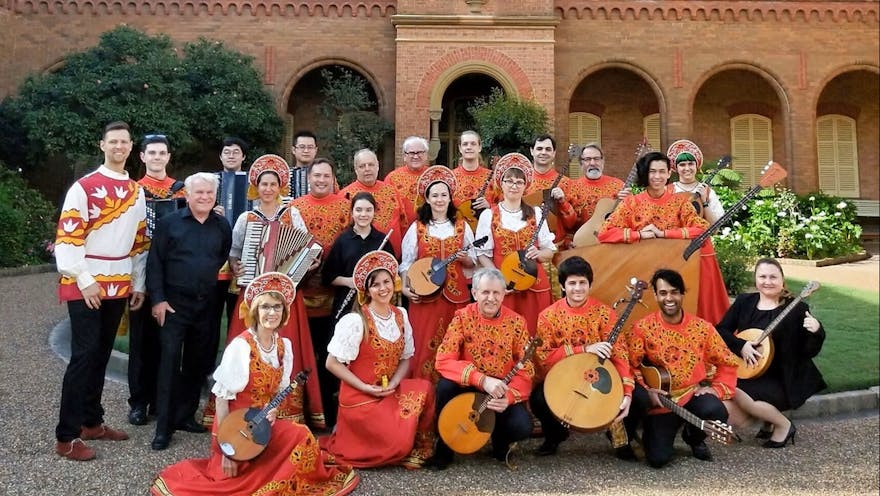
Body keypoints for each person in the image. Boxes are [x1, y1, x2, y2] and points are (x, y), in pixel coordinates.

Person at [150, 272, 360, 496]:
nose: (272, 313)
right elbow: (222, 400)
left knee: (302, 435)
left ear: (284, 311)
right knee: (232, 484)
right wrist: (227, 451)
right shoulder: (241, 347)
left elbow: (279, 390)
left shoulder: (284, 347)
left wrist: (274, 410)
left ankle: (271, 476)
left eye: (277, 307)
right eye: (265, 307)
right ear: (255, 312)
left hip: (262, 427)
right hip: (234, 431)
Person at [53, 121, 148, 461]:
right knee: (83, 356)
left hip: (118, 282)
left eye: (124, 142)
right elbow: (68, 238)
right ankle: (66, 436)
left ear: (130, 146)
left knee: (102, 353)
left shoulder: (136, 192)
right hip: (87, 283)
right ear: (102, 145)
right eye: (113, 142)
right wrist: (84, 278)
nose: (118, 147)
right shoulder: (83, 187)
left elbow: (139, 241)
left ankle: (91, 422)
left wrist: (138, 282)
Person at [222, 154, 324, 429]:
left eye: (273, 184)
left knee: (285, 349)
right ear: (256, 186)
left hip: (285, 294)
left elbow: (306, 248)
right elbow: (233, 254)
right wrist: (237, 265)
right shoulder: (247, 218)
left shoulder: (293, 214)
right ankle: (244, 406)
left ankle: (288, 413)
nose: (268, 189)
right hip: (253, 294)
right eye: (263, 184)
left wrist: (307, 264)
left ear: (281, 187)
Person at [322, 250, 435, 469]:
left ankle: (418, 445)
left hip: (388, 392)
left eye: (386, 282)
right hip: (360, 398)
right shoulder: (356, 320)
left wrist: (393, 384)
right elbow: (331, 363)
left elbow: (406, 358)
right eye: (376, 285)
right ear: (367, 290)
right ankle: (365, 437)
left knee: (426, 388)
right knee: (400, 444)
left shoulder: (401, 315)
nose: (383, 288)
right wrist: (365, 387)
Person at [147, 172, 232, 451]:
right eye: (199, 193)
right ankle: (164, 427)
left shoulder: (221, 225)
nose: (205, 197)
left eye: (209, 193)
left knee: (198, 363)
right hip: (173, 305)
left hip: (206, 304)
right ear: (187, 194)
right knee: (169, 363)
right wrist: (158, 300)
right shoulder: (169, 224)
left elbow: (221, 256)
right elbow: (155, 263)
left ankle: (185, 415)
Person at [597, 151, 730, 325]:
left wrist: (664, 234)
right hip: (641, 268)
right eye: (652, 172)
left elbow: (703, 229)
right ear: (645, 174)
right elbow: (604, 233)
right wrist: (639, 234)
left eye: (662, 171)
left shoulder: (680, 202)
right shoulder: (632, 203)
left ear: (669, 174)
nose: (657, 176)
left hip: (675, 270)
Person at [625, 269, 739, 468]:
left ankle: (693, 437)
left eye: (674, 292)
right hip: (662, 404)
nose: (669, 298)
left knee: (716, 410)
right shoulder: (642, 328)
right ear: (655, 295)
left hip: (691, 395)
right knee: (658, 459)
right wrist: (647, 389)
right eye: (663, 293)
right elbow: (630, 365)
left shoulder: (702, 328)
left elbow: (727, 361)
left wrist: (716, 389)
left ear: (682, 294)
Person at [529, 256, 635, 457]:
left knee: (638, 398)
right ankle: (555, 436)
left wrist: (627, 391)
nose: (577, 288)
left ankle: (619, 437)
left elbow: (620, 352)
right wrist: (584, 349)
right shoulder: (548, 316)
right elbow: (543, 357)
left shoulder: (604, 313)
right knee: (538, 398)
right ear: (562, 285)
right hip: (563, 378)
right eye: (572, 283)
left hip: (597, 377)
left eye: (582, 283)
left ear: (589, 284)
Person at [430, 268, 535, 469]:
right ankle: (444, 447)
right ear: (475, 293)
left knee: (522, 426)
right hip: (469, 386)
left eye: (496, 293)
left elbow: (526, 367)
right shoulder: (462, 317)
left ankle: (499, 441)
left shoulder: (517, 322)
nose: (491, 298)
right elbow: (443, 359)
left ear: (504, 294)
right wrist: (481, 379)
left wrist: (509, 397)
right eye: (485, 292)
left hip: (499, 391)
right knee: (444, 387)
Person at [716, 258, 826, 448]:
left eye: (773, 277)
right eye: (763, 276)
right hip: (752, 369)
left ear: (782, 280)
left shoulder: (796, 308)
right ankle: (768, 421)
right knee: (725, 385)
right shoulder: (744, 302)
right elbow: (721, 330)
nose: (767, 281)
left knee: (735, 389)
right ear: (755, 279)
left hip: (783, 376)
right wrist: (741, 345)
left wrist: (817, 332)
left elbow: (808, 351)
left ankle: (784, 425)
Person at [128, 134, 186, 427]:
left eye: (162, 153)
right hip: (141, 273)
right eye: (152, 153)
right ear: (142, 157)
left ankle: (163, 402)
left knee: (169, 343)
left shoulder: (181, 191)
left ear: (168, 156)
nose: (157, 157)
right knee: (141, 342)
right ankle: (138, 401)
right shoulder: (133, 192)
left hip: (173, 277)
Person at [289, 157, 350, 428]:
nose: (321, 180)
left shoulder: (345, 207)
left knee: (331, 356)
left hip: (336, 298)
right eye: (317, 176)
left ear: (332, 178)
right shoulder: (294, 208)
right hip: (301, 298)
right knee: (303, 356)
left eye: (326, 176)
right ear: (309, 178)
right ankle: (302, 412)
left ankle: (328, 412)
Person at [399, 166, 477, 381]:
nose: (440, 199)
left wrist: (465, 259)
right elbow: (406, 264)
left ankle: (453, 400)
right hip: (424, 297)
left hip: (456, 297)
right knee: (424, 345)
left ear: (450, 198)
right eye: (435, 195)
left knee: (457, 345)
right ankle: (424, 398)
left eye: (444, 195)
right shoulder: (417, 228)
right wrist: (406, 289)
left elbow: (473, 261)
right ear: (428, 199)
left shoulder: (462, 227)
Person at [475, 153, 555, 334]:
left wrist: (539, 254)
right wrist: (499, 279)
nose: (514, 185)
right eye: (509, 181)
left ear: (525, 186)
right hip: (505, 288)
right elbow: (482, 254)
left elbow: (549, 251)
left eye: (519, 182)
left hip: (534, 285)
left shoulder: (536, 213)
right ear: (501, 184)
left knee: (535, 332)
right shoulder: (489, 215)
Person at [210, 136, 250, 375]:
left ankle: (238, 365)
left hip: (244, 258)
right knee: (212, 316)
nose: (232, 156)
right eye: (227, 152)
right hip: (215, 258)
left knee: (239, 314)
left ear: (243, 157)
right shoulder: (209, 182)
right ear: (221, 156)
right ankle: (209, 367)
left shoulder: (254, 184)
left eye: (236, 152)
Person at [323, 192, 397, 322]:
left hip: (377, 303)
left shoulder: (382, 240)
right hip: (347, 305)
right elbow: (328, 276)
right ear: (352, 213)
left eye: (368, 210)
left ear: (375, 212)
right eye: (358, 210)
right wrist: (350, 281)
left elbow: (393, 276)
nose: (363, 214)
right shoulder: (343, 240)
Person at [339, 148, 411, 255]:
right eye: (362, 166)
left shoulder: (392, 191)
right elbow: (342, 230)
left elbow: (403, 223)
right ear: (355, 169)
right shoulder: (345, 195)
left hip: (393, 258)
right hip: (358, 258)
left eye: (371, 165)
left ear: (377, 166)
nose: (367, 169)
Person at [527, 134, 581, 251]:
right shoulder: (522, 182)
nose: (543, 152)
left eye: (548, 149)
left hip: (558, 245)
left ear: (554, 153)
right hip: (529, 245)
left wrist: (563, 202)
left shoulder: (566, 183)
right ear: (532, 151)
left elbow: (572, 223)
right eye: (539, 149)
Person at [667, 139, 724, 224]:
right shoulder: (667, 191)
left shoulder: (707, 192)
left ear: (696, 166)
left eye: (691, 164)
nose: (687, 168)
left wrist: (704, 202)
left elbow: (715, 225)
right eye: (682, 164)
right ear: (676, 168)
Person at [571, 142, 627, 225]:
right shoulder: (572, 188)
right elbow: (568, 223)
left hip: (612, 235)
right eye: (587, 159)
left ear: (602, 161)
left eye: (596, 159)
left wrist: (629, 200)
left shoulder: (619, 185)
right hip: (583, 236)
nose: (592, 163)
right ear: (581, 163)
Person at [385, 136, 430, 230]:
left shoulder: (434, 175)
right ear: (405, 156)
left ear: (426, 155)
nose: (416, 156)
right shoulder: (392, 178)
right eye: (411, 153)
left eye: (420, 152)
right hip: (402, 231)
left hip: (430, 232)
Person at [451, 130, 494, 224]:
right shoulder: (451, 177)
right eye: (465, 144)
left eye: (473, 144)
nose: (469, 147)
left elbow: (505, 206)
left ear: (479, 147)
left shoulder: (493, 178)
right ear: (460, 148)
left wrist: (489, 205)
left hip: (486, 229)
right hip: (457, 230)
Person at [289, 130, 318, 199]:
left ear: (316, 150)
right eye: (302, 147)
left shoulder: (325, 175)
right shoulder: (285, 175)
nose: (306, 151)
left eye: (310, 147)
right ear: (293, 150)